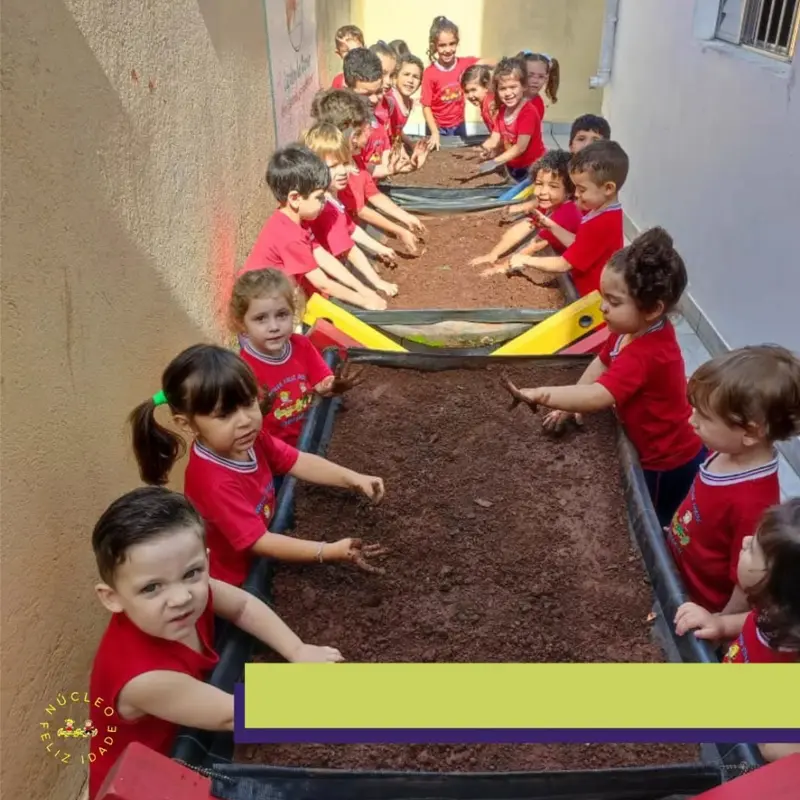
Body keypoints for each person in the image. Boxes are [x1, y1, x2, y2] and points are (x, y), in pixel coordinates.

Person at [88, 486, 344, 798]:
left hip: (185, 734)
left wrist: (298, 649)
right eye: (152, 588)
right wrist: (382, 706)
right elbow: (236, 713)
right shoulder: (144, 678)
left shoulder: (190, 593)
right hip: (143, 784)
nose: (181, 597)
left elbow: (243, 606)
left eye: (192, 573)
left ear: (206, 562)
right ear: (112, 598)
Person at [129, 344, 389, 588]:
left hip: (264, 540)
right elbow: (259, 543)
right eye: (224, 415)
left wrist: (353, 478)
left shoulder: (249, 439)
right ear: (186, 424)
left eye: (248, 403)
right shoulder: (212, 481)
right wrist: (328, 551)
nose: (245, 421)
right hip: (237, 578)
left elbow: (296, 460)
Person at [501, 228, 705, 527]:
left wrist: (542, 394)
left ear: (652, 309)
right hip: (653, 448)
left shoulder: (649, 353)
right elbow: (601, 363)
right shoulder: (629, 332)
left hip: (667, 462)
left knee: (655, 523)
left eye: (613, 301)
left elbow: (599, 396)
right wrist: (570, 405)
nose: (602, 307)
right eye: (603, 297)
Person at [667, 345, 800, 615]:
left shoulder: (754, 503)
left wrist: (720, 622)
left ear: (750, 433)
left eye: (703, 417)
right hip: (675, 567)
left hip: (698, 602)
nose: (692, 421)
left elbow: (746, 581)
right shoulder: (727, 449)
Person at [240, 145, 387, 311]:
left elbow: (323, 257)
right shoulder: (289, 236)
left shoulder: (298, 222)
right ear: (295, 198)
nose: (323, 204)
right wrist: (365, 301)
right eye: (319, 198)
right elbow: (323, 284)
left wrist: (363, 290)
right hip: (259, 313)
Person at [675, 498, 799, 666]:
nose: (745, 540)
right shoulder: (778, 612)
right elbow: (754, 618)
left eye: (753, 550)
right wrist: (721, 625)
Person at [309, 88, 426, 254]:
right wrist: (399, 231)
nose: (371, 133)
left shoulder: (354, 159)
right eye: (367, 128)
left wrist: (405, 217)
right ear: (352, 135)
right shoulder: (339, 172)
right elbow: (360, 210)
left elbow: (372, 193)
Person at [507, 139, 627, 297]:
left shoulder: (602, 223)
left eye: (582, 189)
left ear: (608, 188)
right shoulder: (603, 211)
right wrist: (550, 225)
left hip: (590, 300)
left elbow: (563, 264)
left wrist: (525, 260)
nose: (576, 194)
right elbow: (580, 243)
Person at [302, 122, 399, 297]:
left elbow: (351, 229)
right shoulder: (324, 208)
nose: (342, 171)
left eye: (345, 163)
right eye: (332, 167)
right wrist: (377, 283)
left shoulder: (330, 197)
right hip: (323, 289)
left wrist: (379, 248)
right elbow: (350, 250)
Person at [470, 150, 581, 273]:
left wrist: (504, 267)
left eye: (553, 186)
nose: (543, 191)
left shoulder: (567, 212)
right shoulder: (548, 204)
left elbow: (536, 245)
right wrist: (493, 254)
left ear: (570, 190)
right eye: (539, 184)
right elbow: (522, 228)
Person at [343, 47, 417, 179]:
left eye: (378, 92)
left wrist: (396, 166)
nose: (374, 99)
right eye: (365, 94)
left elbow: (382, 149)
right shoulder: (343, 127)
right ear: (347, 88)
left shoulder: (380, 112)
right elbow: (357, 170)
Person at [421, 16, 492, 150]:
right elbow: (426, 106)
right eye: (442, 45)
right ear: (434, 46)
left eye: (452, 44)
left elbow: (494, 63)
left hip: (459, 125)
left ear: (457, 43)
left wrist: (483, 64)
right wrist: (434, 132)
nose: (448, 50)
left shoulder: (464, 64)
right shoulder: (430, 73)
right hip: (437, 128)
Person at [477, 56, 546, 183]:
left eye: (513, 87)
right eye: (503, 89)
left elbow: (520, 147)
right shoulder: (503, 111)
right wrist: (481, 151)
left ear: (524, 86)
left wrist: (495, 161)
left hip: (532, 167)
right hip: (512, 163)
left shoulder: (528, 113)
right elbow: (494, 138)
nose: (508, 93)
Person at [388, 53, 426, 155]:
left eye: (415, 77)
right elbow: (384, 133)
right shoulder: (390, 101)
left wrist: (410, 144)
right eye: (406, 74)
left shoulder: (408, 103)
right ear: (395, 77)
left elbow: (397, 130)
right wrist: (402, 151)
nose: (410, 80)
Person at [518, 51, 559, 122]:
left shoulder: (537, 106)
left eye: (541, 76)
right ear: (521, 74)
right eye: (530, 75)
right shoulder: (509, 96)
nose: (535, 81)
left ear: (546, 79)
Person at [461, 63, 496, 135]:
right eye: (466, 91)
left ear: (486, 86)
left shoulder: (491, 106)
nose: (470, 95)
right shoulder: (485, 104)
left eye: (473, 90)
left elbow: (500, 136)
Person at [331, 24, 364, 89]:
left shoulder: (372, 77)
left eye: (357, 50)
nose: (353, 55)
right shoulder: (338, 82)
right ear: (339, 53)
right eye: (347, 51)